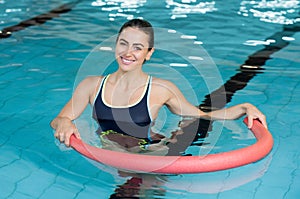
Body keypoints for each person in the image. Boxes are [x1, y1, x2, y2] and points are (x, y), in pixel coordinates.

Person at [50, 19, 267, 151]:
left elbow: (200, 115)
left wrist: (243, 108)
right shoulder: (91, 86)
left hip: (151, 152)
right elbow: (59, 119)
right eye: (123, 44)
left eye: (137, 47)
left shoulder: (161, 89)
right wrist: (63, 124)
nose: (128, 53)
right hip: (111, 151)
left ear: (148, 53)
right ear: (115, 45)